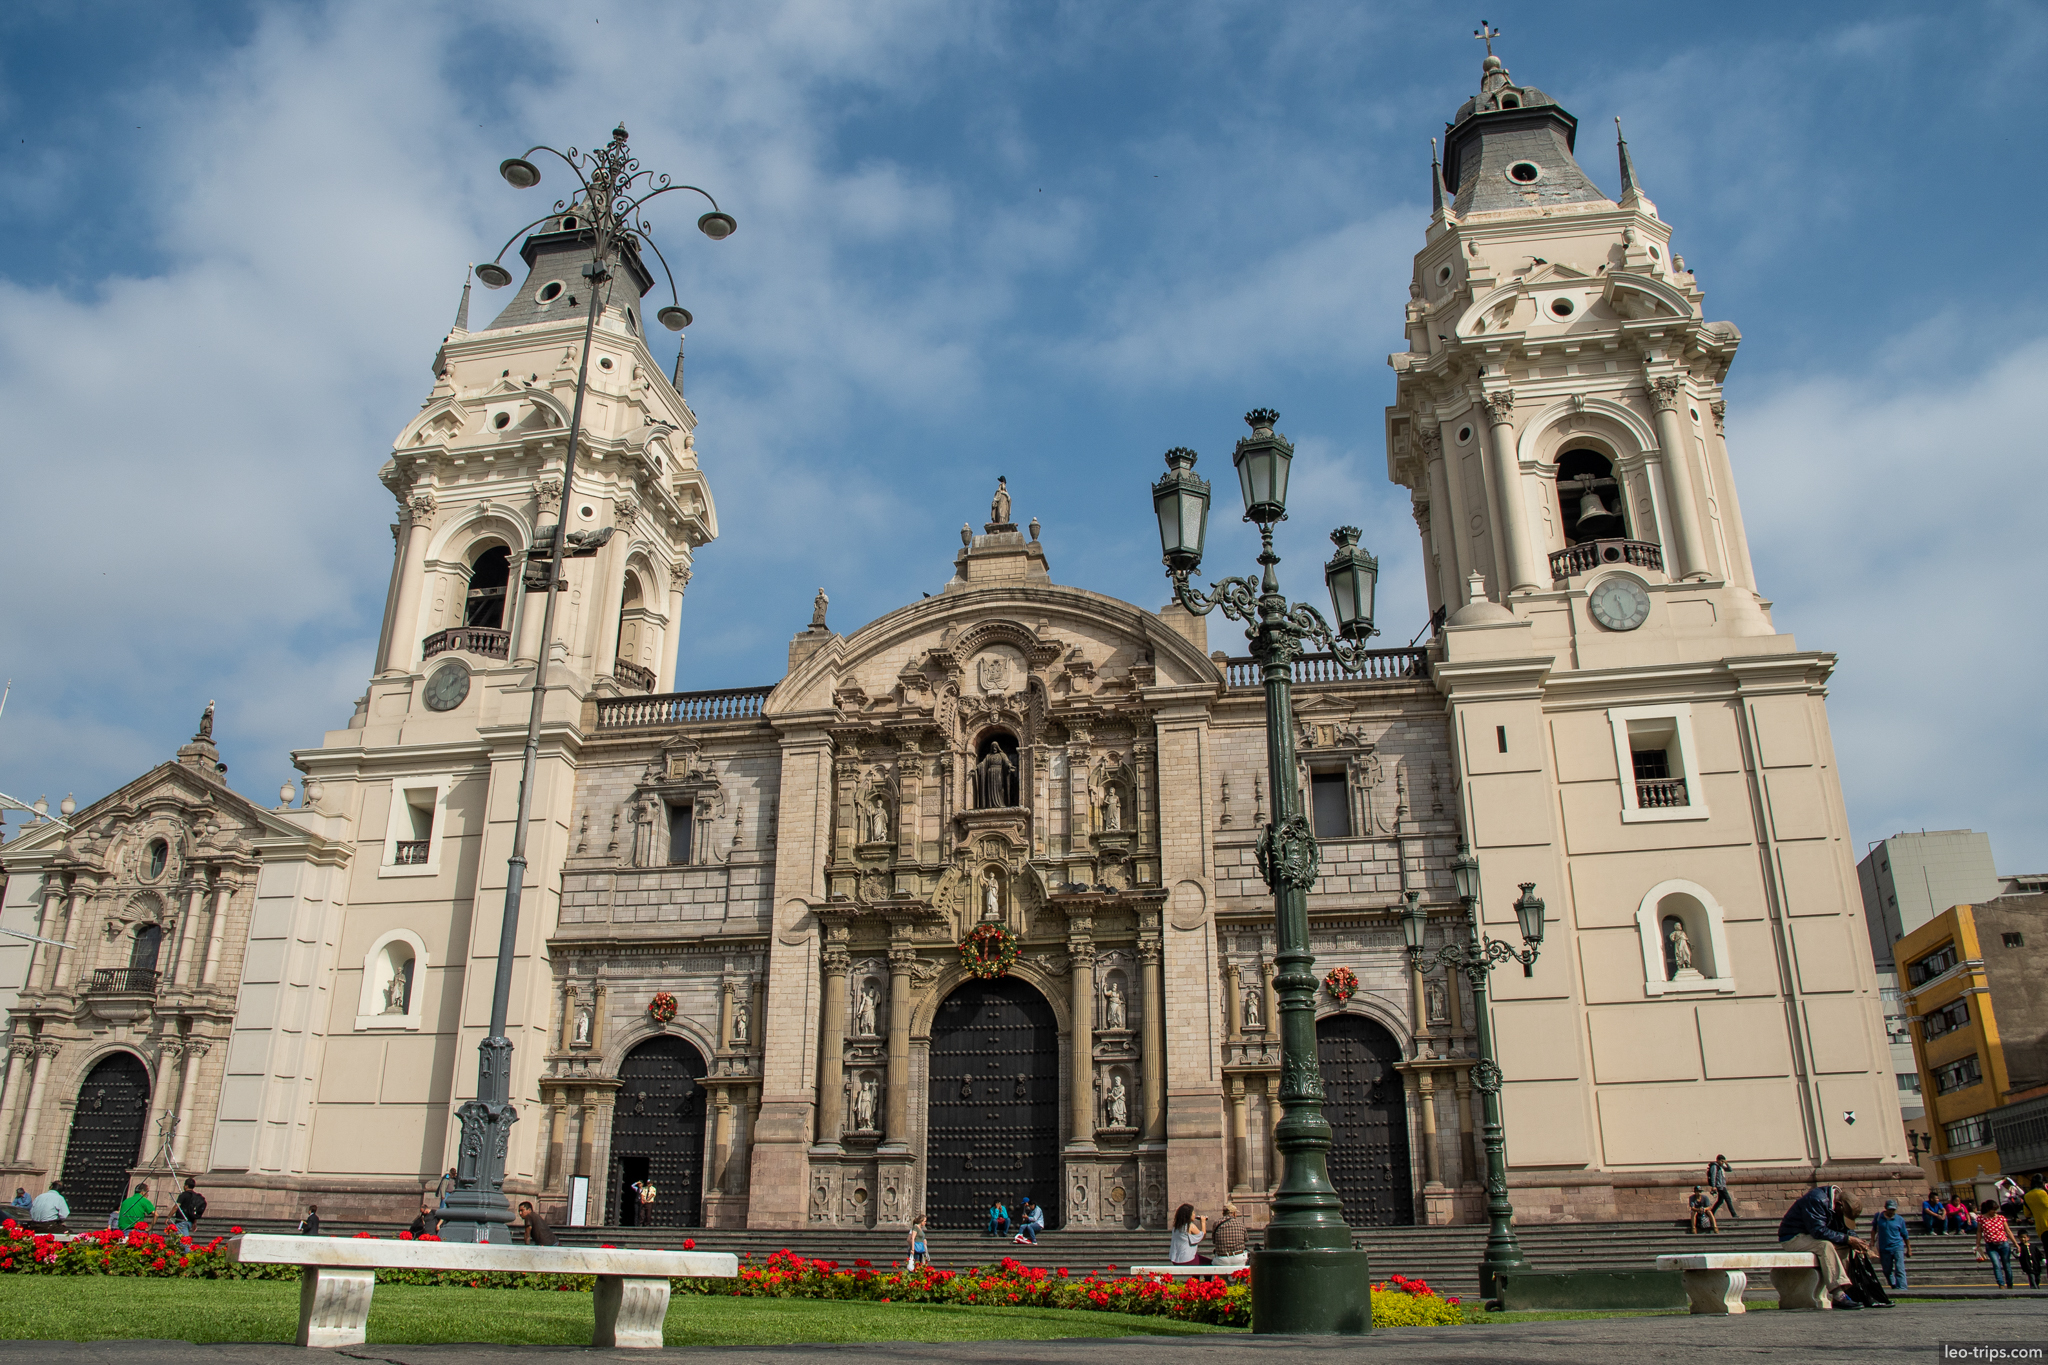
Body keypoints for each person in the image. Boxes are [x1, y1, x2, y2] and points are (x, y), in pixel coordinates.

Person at [1777, 1184, 1872, 1310]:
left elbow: (1846, 1230)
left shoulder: (1837, 1206)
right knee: (1825, 1246)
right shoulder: (1816, 1199)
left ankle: (1850, 1290)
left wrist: (1858, 1243)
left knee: (1847, 1246)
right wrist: (1848, 1239)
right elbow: (1818, 1231)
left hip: (1811, 1237)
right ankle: (1838, 1295)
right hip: (1793, 1238)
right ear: (1839, 1204)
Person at [1872, 1199, 1912, 1290]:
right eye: (1890, 1209)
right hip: (1884, 1248)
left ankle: (1902, 1287)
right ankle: (1893, 1285)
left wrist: (1909, 1249)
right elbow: (1874, 1230)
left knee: (1900, 1268)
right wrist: (1872, 1242)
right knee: (1887, 1270)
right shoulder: (1879, 1218)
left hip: (1897, 1246)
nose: (1891, 1212)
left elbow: (1905, 1235)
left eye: (1893, 1210)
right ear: (1885, 1208)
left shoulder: (1900, 1219)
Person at [1978, 1198, 2017, 1288]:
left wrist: (2015, 1243)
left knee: (2007, 1265)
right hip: (1991, 1245)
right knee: (1996, 1265)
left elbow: (2008, 1231)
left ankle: (2010, 1284)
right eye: (1993, 1210)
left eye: (1996, 1210)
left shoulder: (2001, 1218)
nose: (1995, 1212)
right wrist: (1978, 1244)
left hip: (2003, 1244)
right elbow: (1979, 1232)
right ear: (1988, 1209)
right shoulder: (1981, 1218)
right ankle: (2001, 1284)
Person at [1210, 1203, 1249, 1269]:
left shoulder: (1216, 1224)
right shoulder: (1240, 1224)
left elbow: (1214, 1241)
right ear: (1233, 1213)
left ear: (1223, 1213)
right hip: (1239, 1258)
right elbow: (1246, 1239)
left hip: (1222, 1259)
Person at [1706, 1154, 1736, 1224]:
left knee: (1720, 1201)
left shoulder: (1721, 1166)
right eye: (1721, 1161)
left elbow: (1730, 1170)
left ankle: (1711, 1213)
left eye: (1723, 1161)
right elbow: (1713, 1176)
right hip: (1720, 1186)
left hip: (1723, 1186)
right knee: (1728, 1199)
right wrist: (1713, 1186)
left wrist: (1726, 1163)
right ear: (1718, 1160)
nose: (1722, 1163)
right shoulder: (1714, 1166)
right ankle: (1734, 1214)